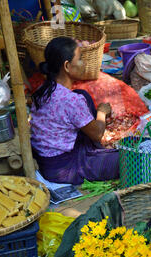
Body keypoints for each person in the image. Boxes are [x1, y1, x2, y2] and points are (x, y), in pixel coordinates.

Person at [30, 36, 119, 185]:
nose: (83, 63)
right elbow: (97, 134)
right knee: (126, 159)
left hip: (47, 160)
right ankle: (95, 155)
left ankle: (93, 151)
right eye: (80, 59)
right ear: (67, 66)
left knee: (82, 94)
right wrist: (102, 112)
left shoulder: (43, 90)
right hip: (65, 168)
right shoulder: (70, 100)